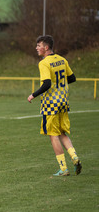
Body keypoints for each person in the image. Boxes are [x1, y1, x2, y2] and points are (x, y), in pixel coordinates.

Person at [27, 35, 82, 177]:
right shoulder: (62, 59)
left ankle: (63, 168)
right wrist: (59, 85)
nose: (36, 48)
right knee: (62, 133)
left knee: (53, 135)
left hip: (50, 103)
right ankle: (74, 157)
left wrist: (33, 94)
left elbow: (46, 84)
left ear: (46, 47)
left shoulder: (44, 63)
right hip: (63, 101)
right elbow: (72, 78)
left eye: (39, 45)